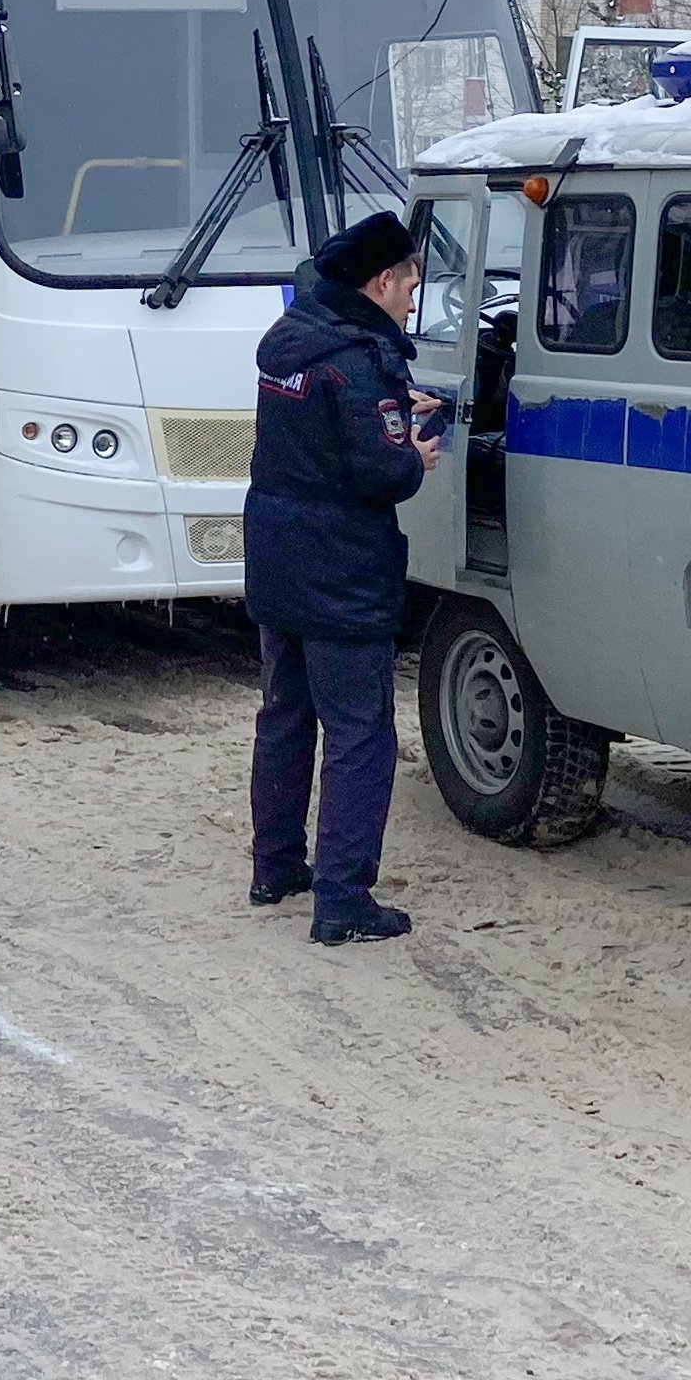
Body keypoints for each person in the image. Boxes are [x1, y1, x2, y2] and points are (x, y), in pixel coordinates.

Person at [244, 208, 443, 947]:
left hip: (277, 552)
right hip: (341, 567)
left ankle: (275, 865)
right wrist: (411, 454)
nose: (411, 297)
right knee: (360, 731)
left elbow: (324, 425)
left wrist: (391, 407)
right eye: (410, 283)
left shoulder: (294, 341)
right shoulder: (359, 360)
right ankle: (342, 898)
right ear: (381, 279)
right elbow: (378, 470)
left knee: (284, 713)